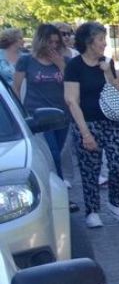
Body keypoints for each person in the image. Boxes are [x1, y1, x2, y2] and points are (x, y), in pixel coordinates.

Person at [63, 22, 119, 228]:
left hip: (111, 122)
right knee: (90, 169)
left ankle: (116, 203)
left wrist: (107, 72)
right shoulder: (74, 66)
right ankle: (92, 211)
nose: (104, 43)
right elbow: (71, 100)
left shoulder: (106, 63)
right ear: (89, 42)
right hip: (87, 123)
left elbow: (116, 92)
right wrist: (85, 133)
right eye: (101, 39)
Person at [14, 24, 69, 178]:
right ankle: (60, 185)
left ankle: (53, 181)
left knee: (57, 151)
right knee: (53, 154)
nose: (53, 46)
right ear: (41, 41)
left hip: (61, 114)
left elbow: (71, 84)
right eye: (50, 42)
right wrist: (21, 112)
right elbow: (16, 88)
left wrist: (61, 65)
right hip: (38, 115)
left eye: (56, 42)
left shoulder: (65, 60)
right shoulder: (26, 60)